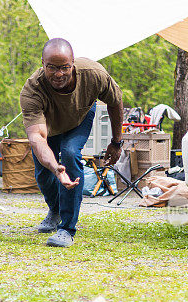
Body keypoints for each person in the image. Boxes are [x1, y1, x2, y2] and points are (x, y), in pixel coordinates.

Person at [20, 38, 124, 247]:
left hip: (79, 118)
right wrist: (55, 169)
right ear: (43, 63)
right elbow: (37, 138)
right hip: (48, 126)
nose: (59, 74)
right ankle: (56, 210)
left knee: (69, 153)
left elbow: (115, 102)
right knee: (43, 172)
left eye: (65, 67)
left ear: (73, 63)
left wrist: (116, 141)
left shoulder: (94, 75)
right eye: (52, 68)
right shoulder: (32, 90)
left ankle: (67, 228)